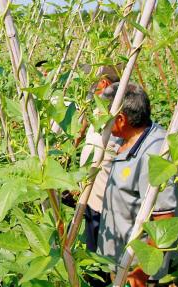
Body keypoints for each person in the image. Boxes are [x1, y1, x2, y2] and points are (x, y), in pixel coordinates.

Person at [97, 82, 178, 287]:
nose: (101, 120)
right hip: (116, 260)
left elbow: (164, 219)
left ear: (122, 119)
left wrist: (142, 271)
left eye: (105, 114)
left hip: (134, 270)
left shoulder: (156, 154)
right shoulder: (125, 139)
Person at [80, 67, 121, 254]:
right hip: (91, 195)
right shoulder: (100, 110)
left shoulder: (117, 116)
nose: (89, 90)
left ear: (104, 83)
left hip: (104, 204)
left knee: (101, 255)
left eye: (92, 84)